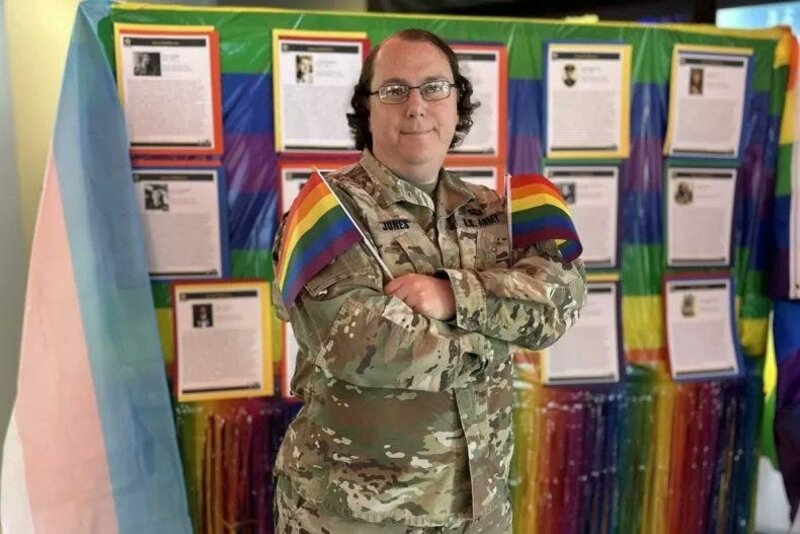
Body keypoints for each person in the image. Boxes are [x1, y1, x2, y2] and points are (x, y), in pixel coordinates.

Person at [271, 28, 587, 532]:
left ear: (458, 104)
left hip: (480, 511)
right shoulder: (329, 214)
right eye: (395, 90)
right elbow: (364, 345)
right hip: (357, 518)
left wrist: (452, 294)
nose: (416, 106)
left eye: (435, 87)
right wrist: (500, 334)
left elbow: (560, 301)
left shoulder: (497, 211)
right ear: (367, 109)